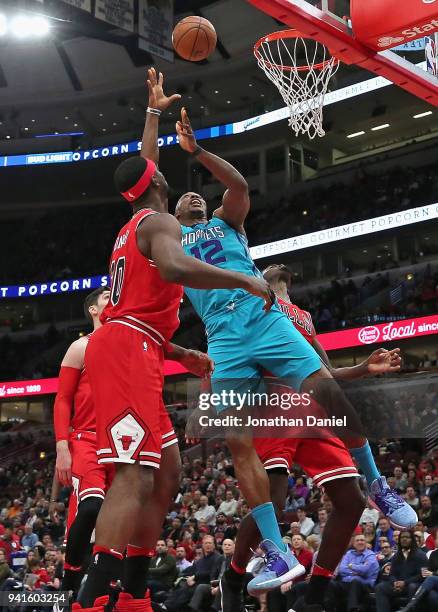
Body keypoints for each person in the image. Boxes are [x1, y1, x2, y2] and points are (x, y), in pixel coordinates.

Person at [74, 69, 271, 612]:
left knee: (168, 473)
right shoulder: (160, 227)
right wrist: (243, 278)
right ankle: (92, 598)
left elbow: (145, 166)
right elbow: (176, 267)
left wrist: (154, 113)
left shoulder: (141, 215)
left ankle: (135, 589)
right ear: (158, 185)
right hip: (126, 348)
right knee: (135, 474)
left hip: (141, 344)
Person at [174, 107, 366, 609]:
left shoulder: (292, 311)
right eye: (183, 198)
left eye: (197, 194)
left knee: (352, 500)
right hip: (257, 388)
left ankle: (316, 592)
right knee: (272, 494)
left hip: (299, 396)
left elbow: (237, 186)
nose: (193, 196)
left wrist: (197, 152)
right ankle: (236, 576)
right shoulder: (170, 243)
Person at [261, 263, 416, 530]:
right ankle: (267, 555)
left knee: (345, 418)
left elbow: (329, 370)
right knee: (270, 496)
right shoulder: (259, 300)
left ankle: (378, 486)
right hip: (271, 401)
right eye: (270, 265)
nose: (277, 264)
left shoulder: (304, 317)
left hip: (304, 397)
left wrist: (364, 368)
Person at [375, 531, 428, 612]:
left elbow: (423, 575)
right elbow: (391, 574)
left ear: (412, 540)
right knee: (380, 587)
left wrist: (405, 583)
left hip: (413, 585)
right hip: (398, 586)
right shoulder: (397, 555)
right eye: (402, 537)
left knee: (412, 587)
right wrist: (395, 582)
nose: (404, 539)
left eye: (407, 537)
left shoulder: (421, 555)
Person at [327, 533, 379, 612]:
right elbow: (342, 569)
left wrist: (351, 566)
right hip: (346, 583)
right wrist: (356, 570)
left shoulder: (370, 555)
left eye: (362, 540)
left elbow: (365, 570)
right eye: (357, 540)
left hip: (364, 585)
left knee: (355, 582)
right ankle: (329, 609)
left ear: (366, 543)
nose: (360, 542)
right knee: (331, 583)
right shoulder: (349, 553)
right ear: (354, 544)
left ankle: (352, 610)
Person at [396, 531, 438, 611]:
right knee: (431, 595)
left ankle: (409, 607)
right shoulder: (434, 554)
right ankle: (411, 608)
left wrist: (433, 573)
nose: (437, 540)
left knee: (431, 579)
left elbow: (432, 574)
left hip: (434, 579)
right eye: (436, 538)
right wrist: (425, 572)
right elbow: (429, 569)